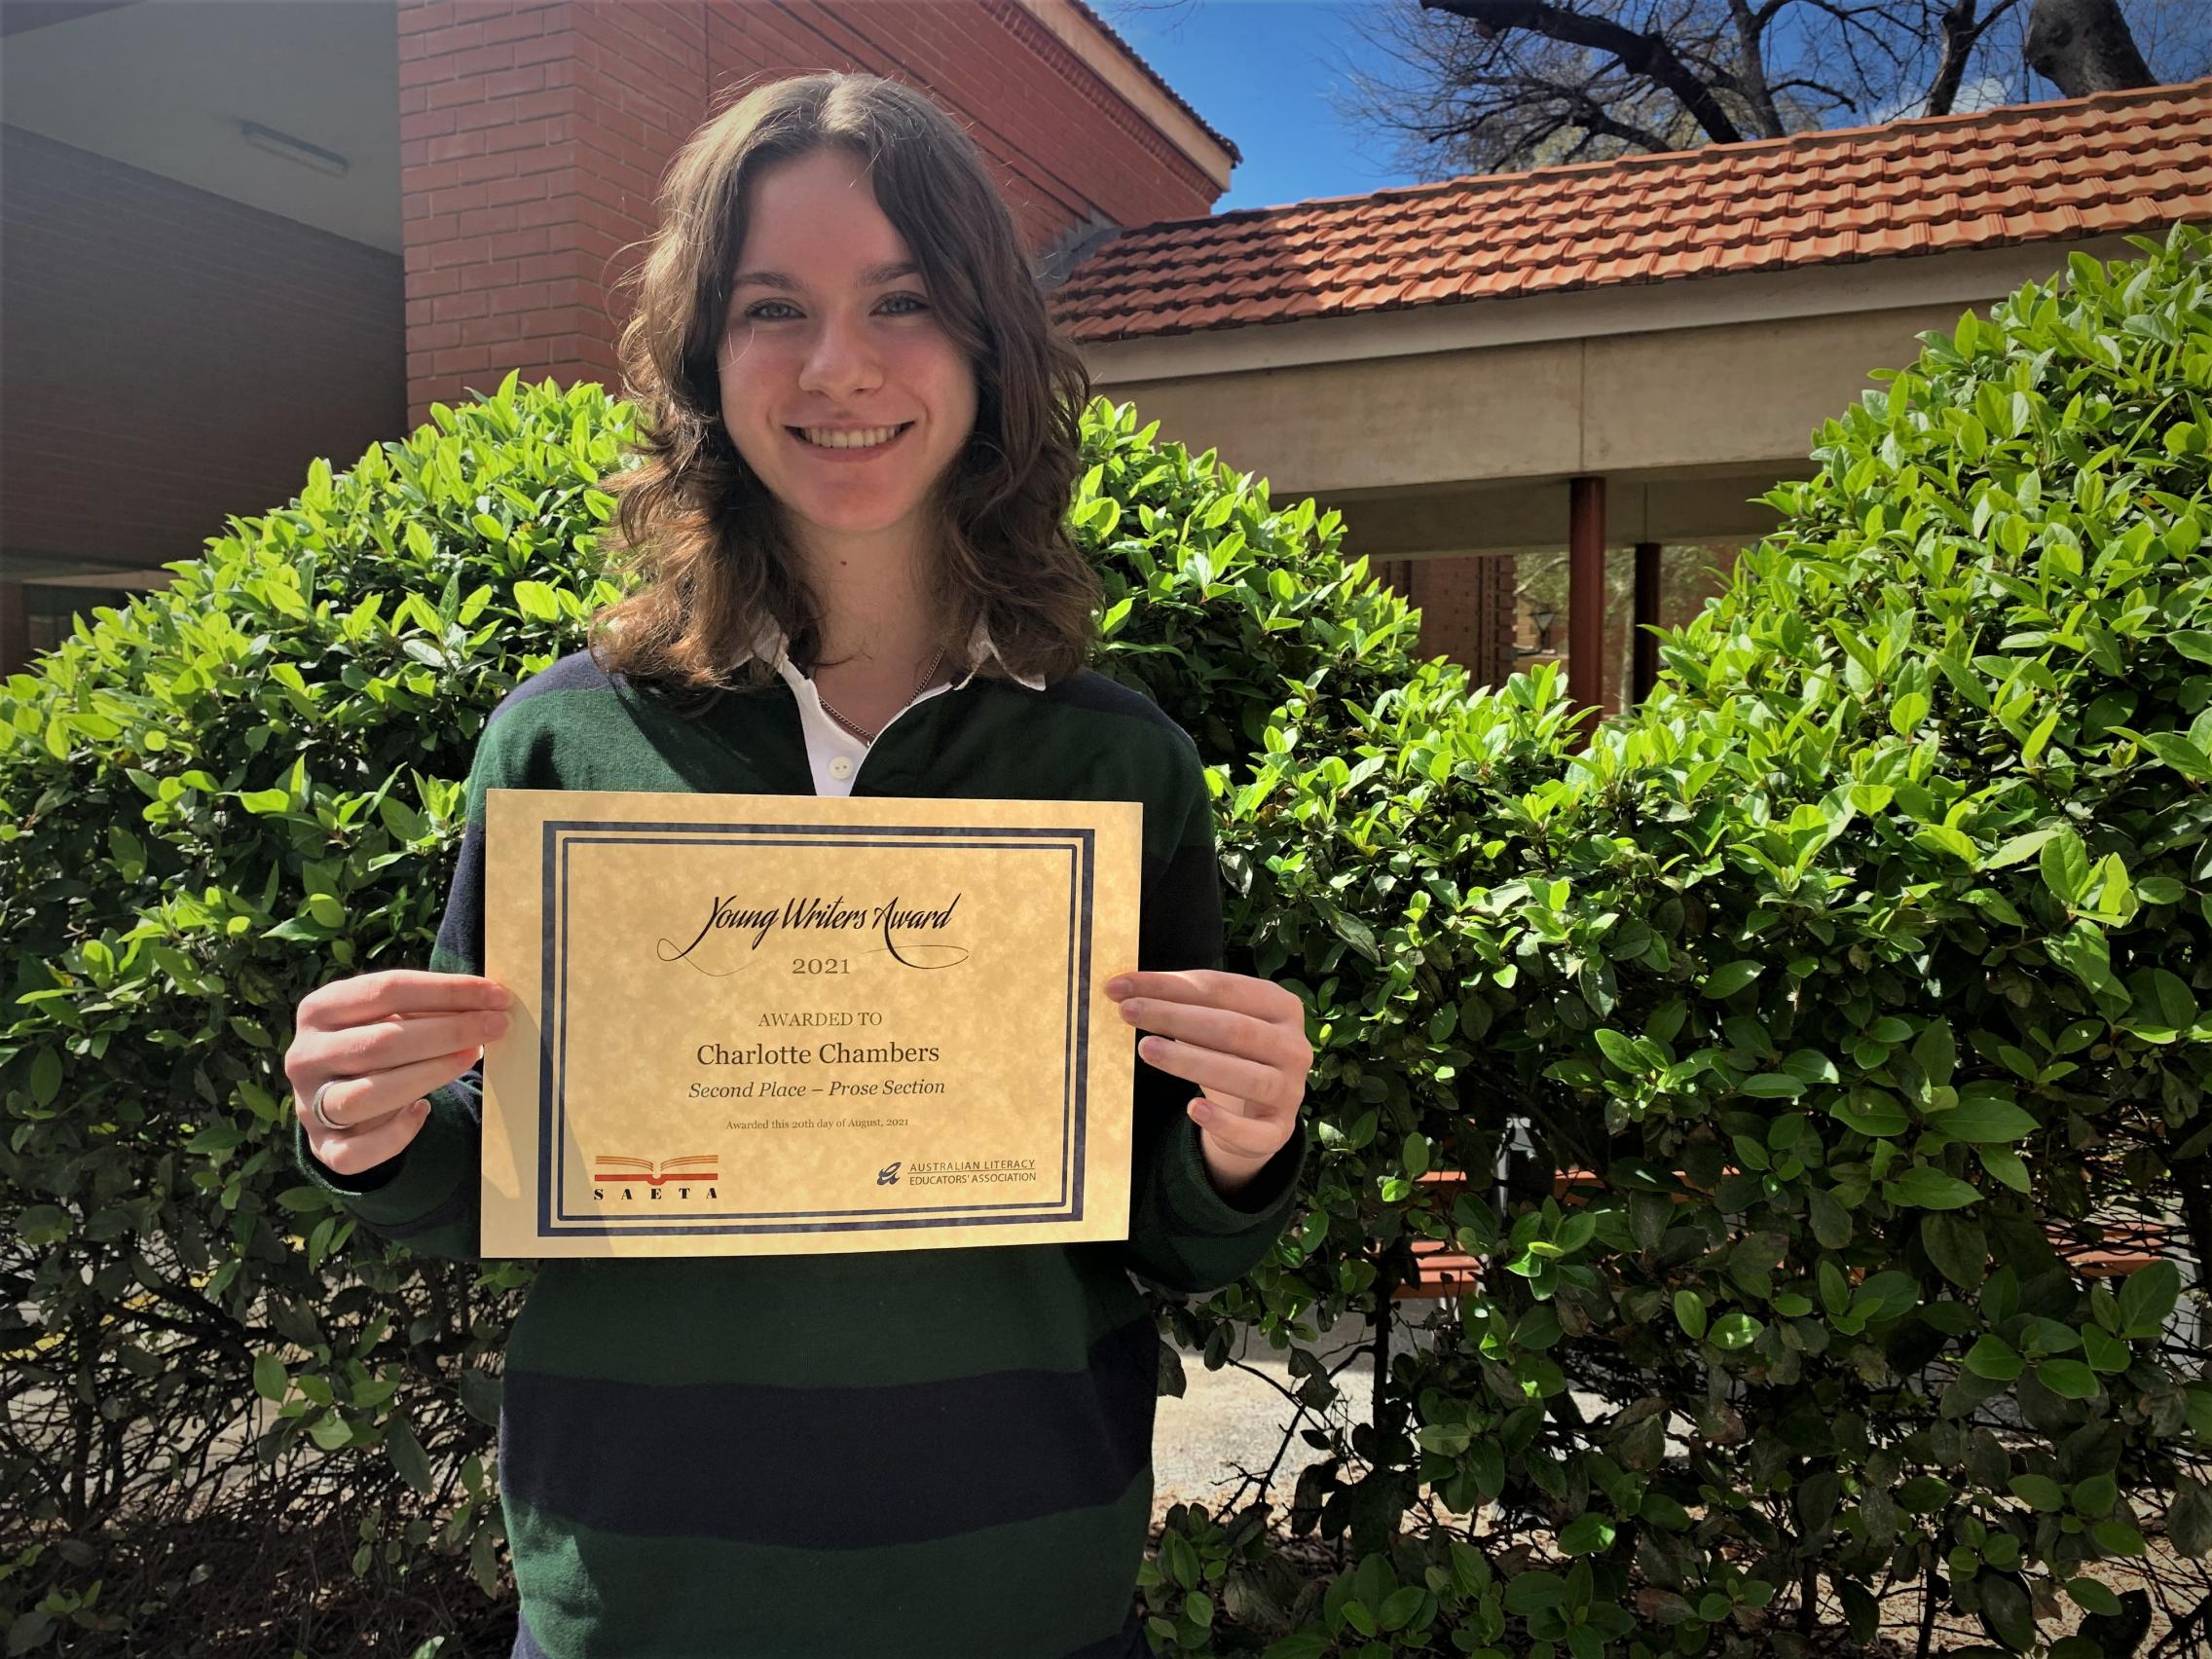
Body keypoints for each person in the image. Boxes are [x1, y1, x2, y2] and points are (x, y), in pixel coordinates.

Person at [285, 71, 1312, 1659]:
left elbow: (1161, 1230)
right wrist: (371, 1130)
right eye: (775, 306)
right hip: (645, 1590)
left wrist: (1240, 1148)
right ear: (706, 358)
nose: (841, 366)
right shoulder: (563, 746)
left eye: (903, 298)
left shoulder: (1114, 768)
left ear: (986, 343)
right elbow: (492, 1178)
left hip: (1018, 1588)